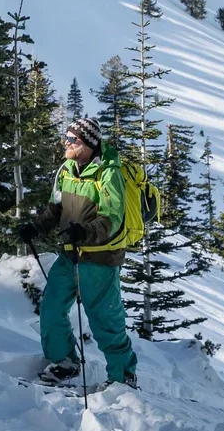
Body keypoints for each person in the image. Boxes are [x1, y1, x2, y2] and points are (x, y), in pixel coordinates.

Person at [18, 117, 138, 389]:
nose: (66, 143)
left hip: (100, 258)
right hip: (69, 254)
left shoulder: (109, 174)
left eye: (72, 139)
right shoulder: (67, 170)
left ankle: (122, 377)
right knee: (51, 308)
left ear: (87, 144)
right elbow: (56, 208)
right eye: (67, 137)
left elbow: (112, 218)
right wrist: (35, 228)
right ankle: (65, 362)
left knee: (105, 320)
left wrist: (84, 232)